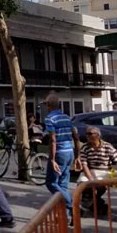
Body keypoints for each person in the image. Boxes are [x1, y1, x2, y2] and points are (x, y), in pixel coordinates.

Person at [43, 92, 81, 224]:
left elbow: (52, 140)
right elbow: (76, 137)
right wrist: (77, 156)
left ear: (49, 106)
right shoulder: (66, 117)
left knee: (51, 183)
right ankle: (65, 216)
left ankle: (72, 205)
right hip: (69, 151)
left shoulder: (50, 119)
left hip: (59, 153)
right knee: (63, 185)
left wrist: (52, 159)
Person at [77, 126, 117, 212]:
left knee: (103, 182)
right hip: (91, 171)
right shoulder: (85, 147)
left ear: (98, 135)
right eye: (87, 134)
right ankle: (89, 205)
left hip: (105, 171)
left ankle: (90, 204)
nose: (87, 136)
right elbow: (84, 165)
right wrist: (91, 179)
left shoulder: (108, 146)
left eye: (90, 134)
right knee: (84, 184)